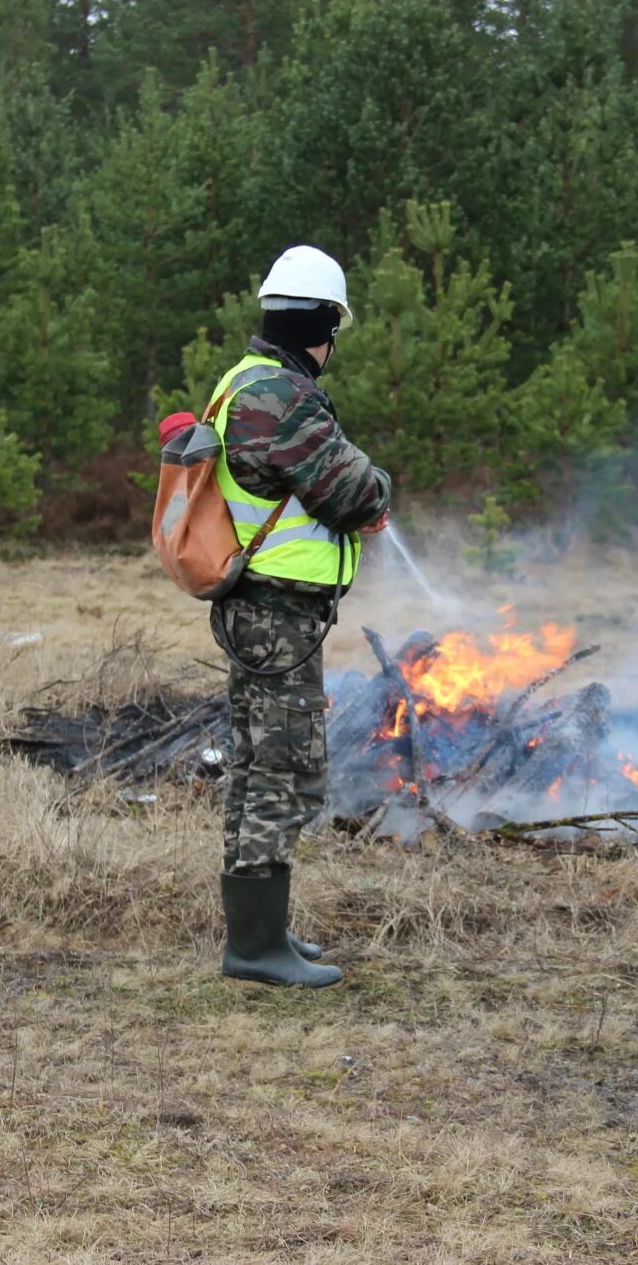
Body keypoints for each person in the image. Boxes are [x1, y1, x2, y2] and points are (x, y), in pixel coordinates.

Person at [208, 245, 392, 989]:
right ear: (321, 325)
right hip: (276, 614)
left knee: (257, 767)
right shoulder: (281, 397)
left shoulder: (242, 383)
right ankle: (255, 947)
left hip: (261, 610)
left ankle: (263, 929)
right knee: (285, 770)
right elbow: (356, 492)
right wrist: (378, 486)